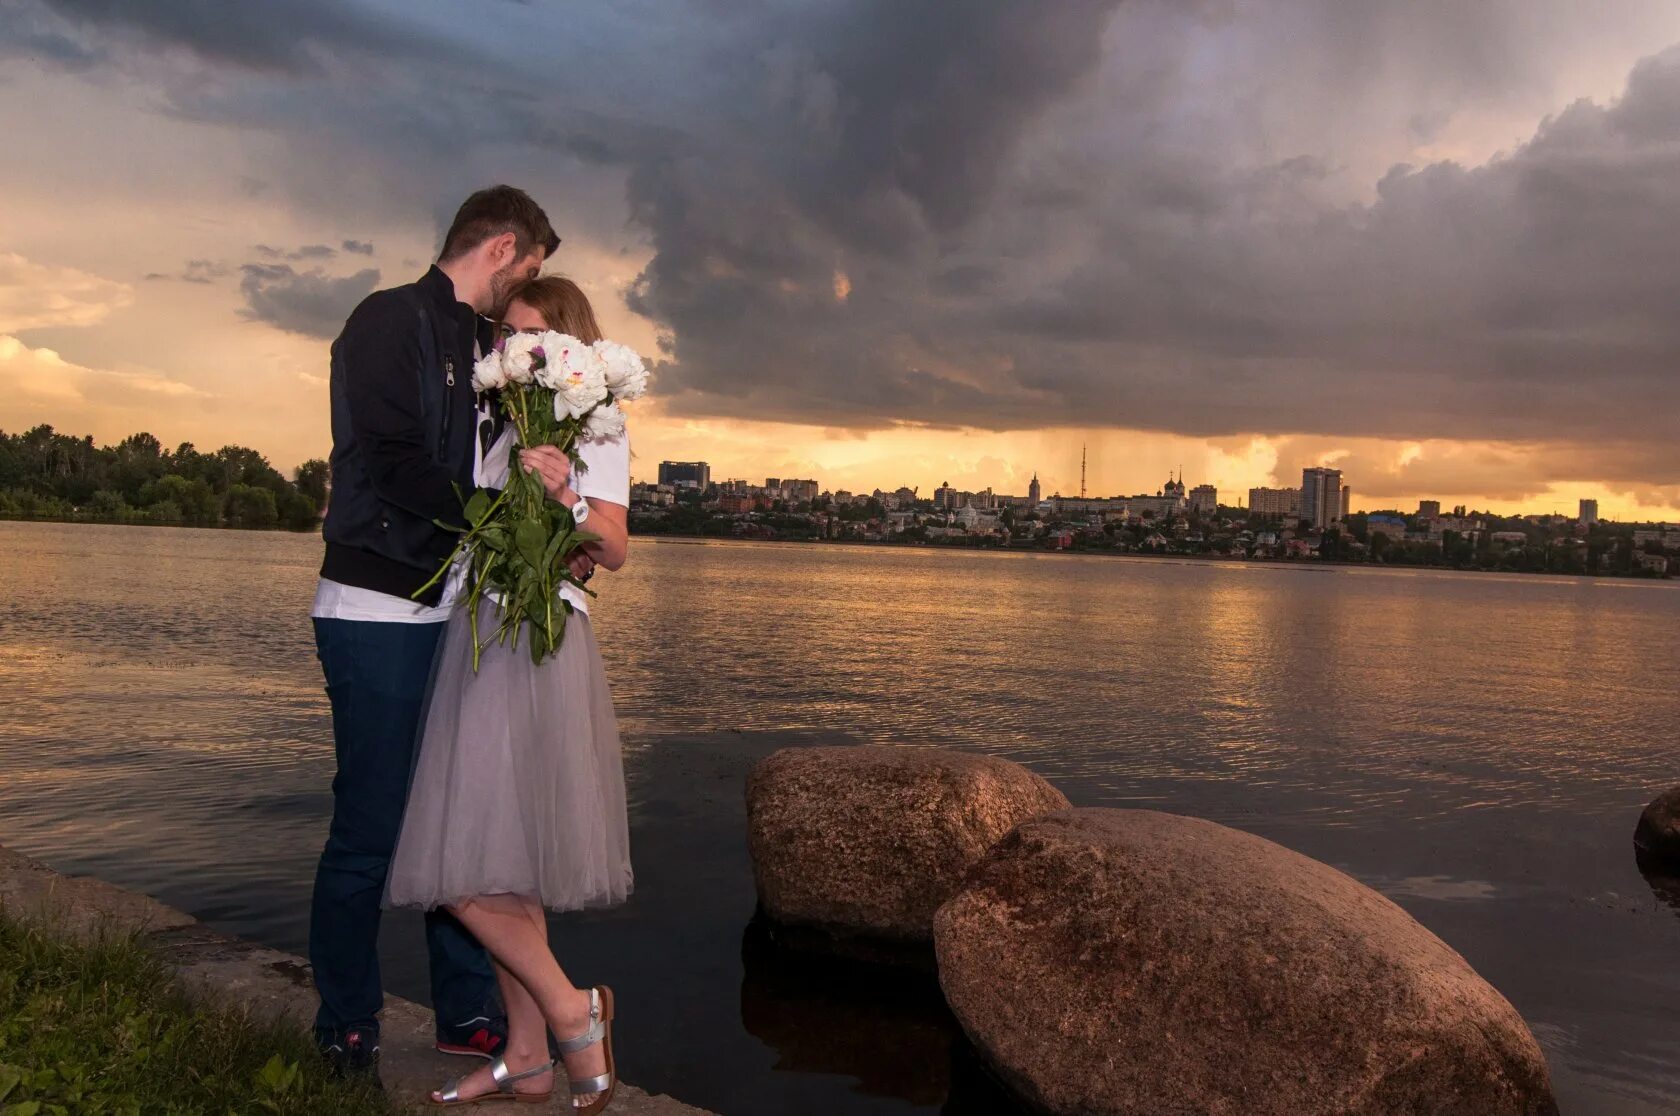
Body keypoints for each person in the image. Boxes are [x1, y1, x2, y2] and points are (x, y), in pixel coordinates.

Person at [309, 186, 560, 1080]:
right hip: (376, 612)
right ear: (499, 249)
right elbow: (394, 461)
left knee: (457, 827)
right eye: (526, 269)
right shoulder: (389, 320)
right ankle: (346, 1023)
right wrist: (496, 516)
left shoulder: (491, 349)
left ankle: (467, 1015)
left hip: (454, 614)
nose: (522, 287)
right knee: (370, 830)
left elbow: (506, 455)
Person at [384, 276, 633, 1111]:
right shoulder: (497, 419)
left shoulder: (598, 422)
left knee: (454, 864)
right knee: (499, 865)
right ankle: (530, 1055)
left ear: (566, 345)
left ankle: (569, 1010)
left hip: (541, 643)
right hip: (478, 632)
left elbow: (616, 546)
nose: (511, 352)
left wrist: (565, 502)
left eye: (528, 338)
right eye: (506, 338)